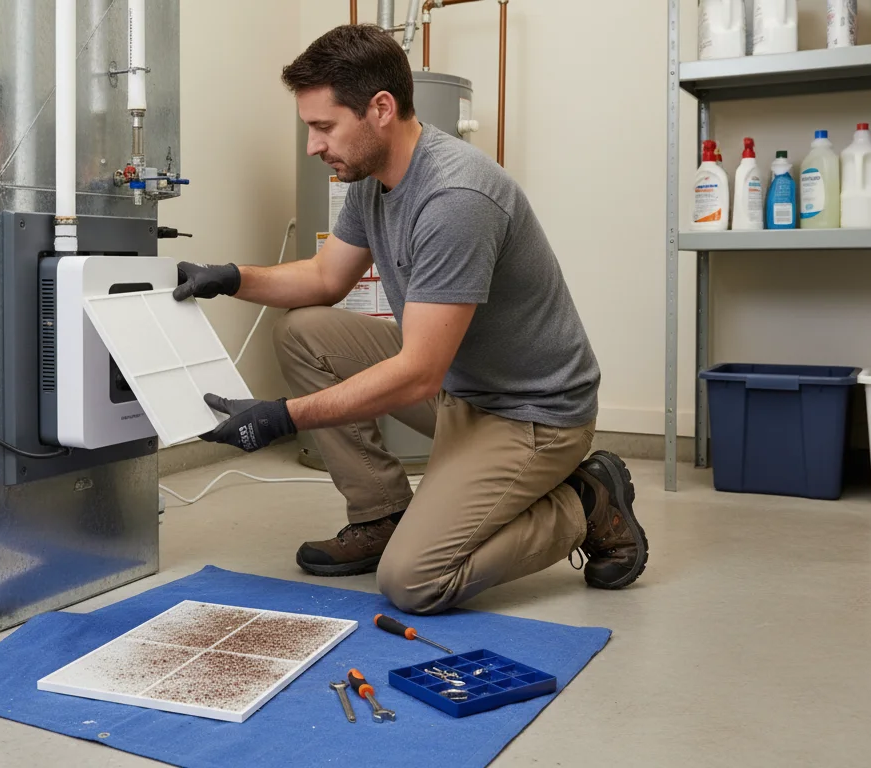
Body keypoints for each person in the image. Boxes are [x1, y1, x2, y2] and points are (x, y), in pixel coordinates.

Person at [173, 24, 648, 615]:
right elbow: (325, 279)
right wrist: (230, 278)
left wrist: (281, 418)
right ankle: (380, 515)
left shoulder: (455, 198)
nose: (313, 146)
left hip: (531, 415)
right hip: (461, 391)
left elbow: (419, 373)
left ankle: (585, 499)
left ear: (380, 109)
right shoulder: (374, 181)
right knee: (304, 332)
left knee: (414, 581)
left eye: (324, 127)